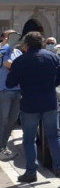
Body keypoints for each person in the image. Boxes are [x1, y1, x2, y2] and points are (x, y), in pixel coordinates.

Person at [5, 31, 60, 182]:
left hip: (29, 104)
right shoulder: (51, 56)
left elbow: (10, 83)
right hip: (49, 101)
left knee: (29, 139)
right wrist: (49, 86)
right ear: (42, 42)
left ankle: (31, 172)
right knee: (54, 135)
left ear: (26, 44)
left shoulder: (20, 61)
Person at [0, 32, 23, 160]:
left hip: (17, 90)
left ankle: (3, 146)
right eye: (11, 36)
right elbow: (7, 64)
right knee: (3, 120)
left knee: (12, 120)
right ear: (3, 38)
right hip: (3, 90)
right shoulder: (1, 50)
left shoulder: (18, 52)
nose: (15, 39)